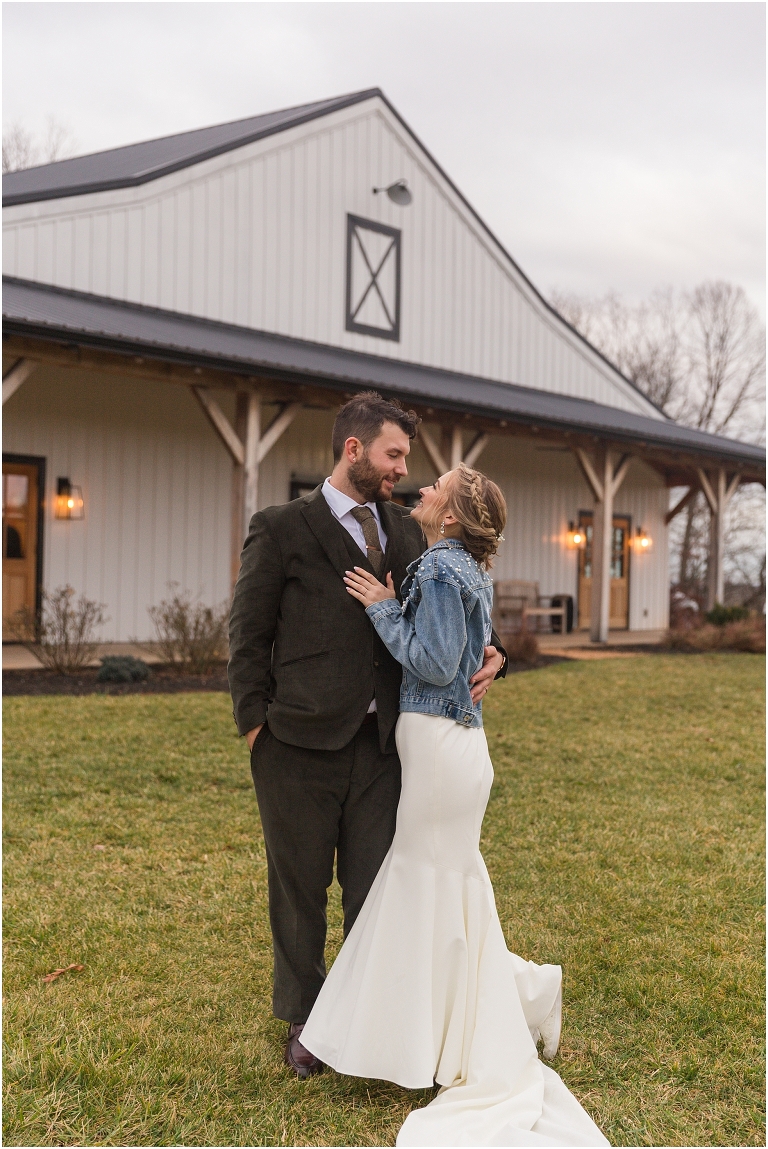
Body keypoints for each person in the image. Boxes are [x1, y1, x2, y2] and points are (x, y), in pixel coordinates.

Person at [301, 463, 609, 1147]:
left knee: (421, 878)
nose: (424, 486)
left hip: (441, 746)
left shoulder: (441, 569)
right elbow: (467, 650)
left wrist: (381, 606)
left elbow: (439, 664)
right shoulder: (462, 564)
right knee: (446, 884)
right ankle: (486, 1006)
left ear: (449, 517)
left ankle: (411, 1031)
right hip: (454, 747)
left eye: (436, 484)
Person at [228, 392, 507, 1079]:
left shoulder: (411, 532)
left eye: (407, 459)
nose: (403, 469)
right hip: (294, 743)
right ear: (353, 449)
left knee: (372, 885)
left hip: (386, 749)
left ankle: (366, 1017)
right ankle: (304, 1015)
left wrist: (499, 650)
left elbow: (452, 605)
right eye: (393, 454)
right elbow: (247, 631)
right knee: (297, 888)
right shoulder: (281, 526)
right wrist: (254, 724)